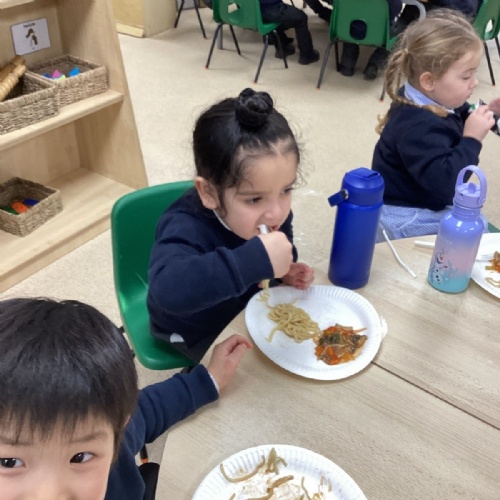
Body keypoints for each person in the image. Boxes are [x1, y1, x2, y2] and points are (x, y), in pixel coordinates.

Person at [0, 297, 251, 500]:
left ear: (119, 425)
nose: (49, 495)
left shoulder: (112, 433)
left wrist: (208, 379)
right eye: (9, 462)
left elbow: (149, 410)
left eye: (80, 457)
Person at [147, 88, 315, 362]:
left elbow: (278, 252)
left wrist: (285, 270)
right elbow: (168, 292)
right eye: (255, 199)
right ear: (209, 193)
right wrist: (252, 262)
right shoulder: (184, 224)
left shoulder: (271, 213)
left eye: (286, 190)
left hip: (245, 308)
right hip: (196, 327)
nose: (276, 213)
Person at [371, 9, 500, 241]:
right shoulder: (417, 126)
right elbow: (447, 186)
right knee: (477, 230)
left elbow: (460, 114)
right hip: (403, 213)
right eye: (466, 76)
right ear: (429, 81)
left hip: (422, 196)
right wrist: (471, 140)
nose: (475, 83)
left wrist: (490, 113)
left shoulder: (429, 98)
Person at [338, 0, 403, 80]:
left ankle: (347, 63)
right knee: (400, 27)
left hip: (347, 30)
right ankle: (374, 64)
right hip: (377, 34)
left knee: (351, 19)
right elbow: (396, 8)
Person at [259, 0, 320, 64]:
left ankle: (282, 47)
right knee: (301, 18)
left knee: (284, 16)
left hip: (256, 13)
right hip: (270, 9)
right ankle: (307, 55)